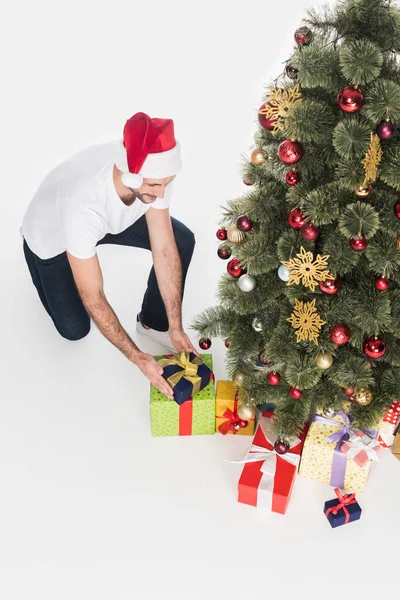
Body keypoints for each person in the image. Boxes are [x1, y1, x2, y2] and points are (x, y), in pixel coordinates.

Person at [21, 112, 200, 400]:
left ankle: (153, 322)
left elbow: (165, 249)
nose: (162, 192)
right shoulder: (81, 204)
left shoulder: (154, 177)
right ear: (131, 174)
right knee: (74, 330)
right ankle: (45, 262)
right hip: (50, 237)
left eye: (167, 183)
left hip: (105, 222)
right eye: (156, 186)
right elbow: (93, 295)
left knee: (181, 240)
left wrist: (175, 327)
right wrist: (138, 357)